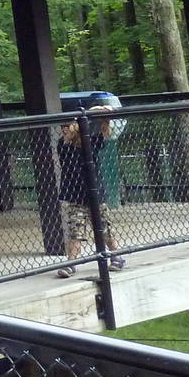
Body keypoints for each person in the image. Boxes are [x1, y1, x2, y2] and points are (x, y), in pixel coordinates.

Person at [55, 104, 127, 278]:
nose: (64, 129)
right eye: (62, 126)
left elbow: (104, 131)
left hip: (95, 193)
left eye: (67, 126)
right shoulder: (62, 144)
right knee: (75, 230)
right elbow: (70, 135)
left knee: (104, 228)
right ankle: (71, 263)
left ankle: (115, 257)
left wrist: (103, 114)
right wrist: (87, 115)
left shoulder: (90, 141)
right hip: (75, 195)